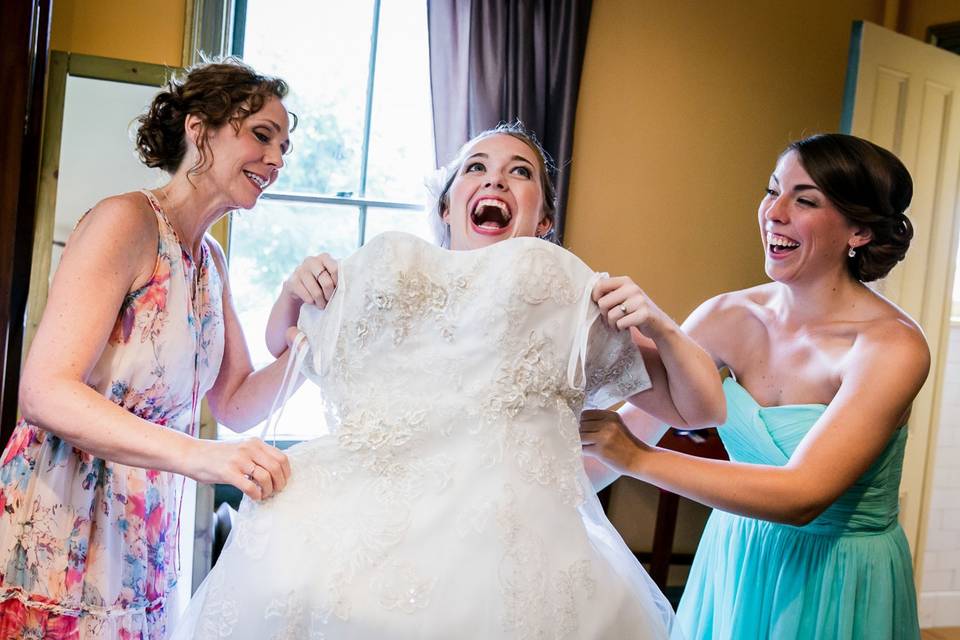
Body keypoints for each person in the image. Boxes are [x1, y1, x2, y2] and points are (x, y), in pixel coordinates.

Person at [170, 122, 723, 639]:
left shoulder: (567, 295)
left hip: (513, 555)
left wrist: (660, 324)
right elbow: (288, 344)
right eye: (475, 168)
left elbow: (703, 408)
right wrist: (295, 290)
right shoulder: (393, 272)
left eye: (520, 171)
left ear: (545, 220)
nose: (495, 179)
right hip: (369, 534)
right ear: (448, 204)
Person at [0, 59, 319, 639]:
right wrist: (199, 455)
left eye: (284, 146)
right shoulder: (126, 221)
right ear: (200, 129)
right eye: (261, 135)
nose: (277, 160)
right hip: (62, 514)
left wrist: (315, 337)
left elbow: (237, 403)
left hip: (142, 539)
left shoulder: (211, 263)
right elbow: (45, 390)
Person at [580, 133, 926, 639]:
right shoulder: (728, 315)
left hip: (837, 576)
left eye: (804, 200)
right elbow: (631, 428)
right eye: (772, 190)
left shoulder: (892, 347)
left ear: (859, 232)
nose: (774, 213)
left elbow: (802, 496)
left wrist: (634, 457)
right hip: (736, 561)